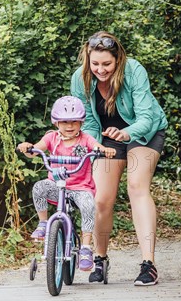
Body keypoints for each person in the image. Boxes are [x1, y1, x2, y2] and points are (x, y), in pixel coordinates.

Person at [71, 31, 168, 286]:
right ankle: (100, 259)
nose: (100, 70)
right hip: (108, 136)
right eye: (95, 64)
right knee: (101, 197)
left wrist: (126, 133)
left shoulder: (134, 71)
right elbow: (90, 121)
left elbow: (146, 117)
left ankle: (148, 264)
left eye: (107, 64)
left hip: (142, 132)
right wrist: (92, 146)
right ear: (88, 60)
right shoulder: (80, 79)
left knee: (137, 186)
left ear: (118, 60)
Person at [17, 96, 116, 271]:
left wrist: (104, 150)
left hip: (80, 188)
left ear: (81, 122)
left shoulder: (85, 140)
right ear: (56, 123)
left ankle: (86, 247)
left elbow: (96, 147)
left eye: (74, 122)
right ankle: (43, 223)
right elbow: (36, 150)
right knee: (39, 187)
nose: (69, 126)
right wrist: (28, 148)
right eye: (64, 122)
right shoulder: (51, 138)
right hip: (57, 186)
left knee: (88, 205)